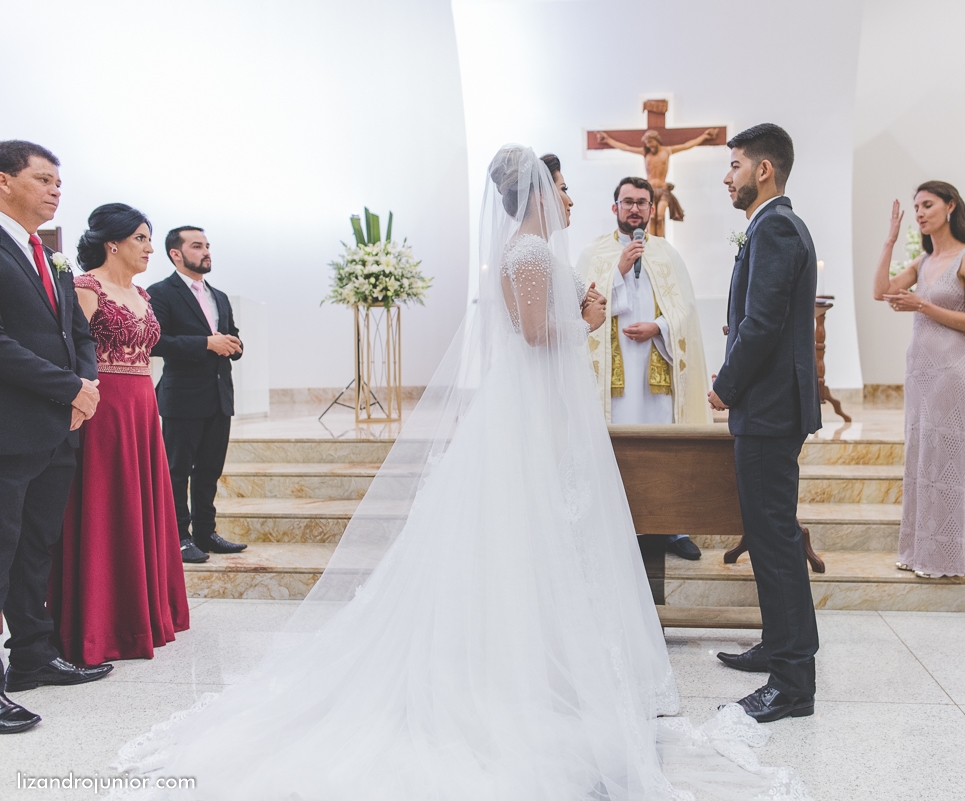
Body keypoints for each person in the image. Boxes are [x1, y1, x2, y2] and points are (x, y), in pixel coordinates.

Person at [111, 146, 809, 800]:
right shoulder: (531, 250)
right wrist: (590, 316)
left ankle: (546, 661)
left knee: (536, 536)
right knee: (529, 529)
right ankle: (527, 673)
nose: (568, 196)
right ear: (537, 193)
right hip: (529, 412)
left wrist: (583, 311)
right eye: (561, 186)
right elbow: (538, 335)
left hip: (534, 410)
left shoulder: (527, 248)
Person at [707, 124, 822, 722]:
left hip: (769, 409)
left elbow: (762, 322)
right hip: (774, 407)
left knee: (775, 542)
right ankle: (779, 648)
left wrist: (726, 386)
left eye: (735, 166)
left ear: (764, 170)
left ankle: (793, 682)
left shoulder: (775, 226)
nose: (728, 176)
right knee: (769, 535)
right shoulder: (775, 224)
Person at [0, 140, 112, 734]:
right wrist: (68, 388)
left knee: (34, 548)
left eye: (59, 182)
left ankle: (33, 658)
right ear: (3, 182)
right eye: (43, 179)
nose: (55, 190)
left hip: (57, 430)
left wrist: (85, 384)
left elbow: (80, 334)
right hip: (10, 428)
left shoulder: (52, 256)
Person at [49, 204, 190, 665]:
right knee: (105, 506)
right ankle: (100, 623)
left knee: (141, 503)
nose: (150, 248)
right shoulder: (86, 287)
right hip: (103, 408)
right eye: (141, 239)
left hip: (143, 406)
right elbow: (70, 350)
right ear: (113, 243)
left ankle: (142, 615)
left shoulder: (145, 296)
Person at [577, 174, 711, 560]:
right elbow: (582, 308)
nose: (634, 208)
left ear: (652, 210)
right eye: (627, 201)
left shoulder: (668, 255)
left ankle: (672, 528)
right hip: (612, 383)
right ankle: (615, 525)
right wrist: (616, 271)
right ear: (614, 207)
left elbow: (686, 315)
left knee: (663, 449)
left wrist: (659, 326)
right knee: (619, 452)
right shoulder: (595, 255)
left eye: (642, 202)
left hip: (657, 374)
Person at [873, 183, 965, 579]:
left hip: (951, 371)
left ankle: (943, 557)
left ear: (950, 206)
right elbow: (880, 291)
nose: (920, 212)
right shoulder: (924, 260)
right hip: (919, 371)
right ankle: (916, 550)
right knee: (920, 460)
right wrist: (889, 239)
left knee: (945, 463)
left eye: (928, 205)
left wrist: (922, 303)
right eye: (916, 207)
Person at [147, 227, 246, 563]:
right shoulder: (160, 293)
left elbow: (231, 335)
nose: (206, 252)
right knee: (177, 471)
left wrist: (234, 346)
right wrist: (207, 343)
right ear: (176, 253)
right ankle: (179, 537)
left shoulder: (218, 295)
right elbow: (156, 342)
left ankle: (206, 532)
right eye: (197, 246)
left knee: (209, 470)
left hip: (219, 396)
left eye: (207, 246)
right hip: (182, 398)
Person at [594, 127, 719, 236]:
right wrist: (607, 140)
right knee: (651, 217)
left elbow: (687, 145)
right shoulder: (645, 153)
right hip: (650, 191)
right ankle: (651, 242)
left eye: (651, 142)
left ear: (657, 140)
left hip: (663, 189)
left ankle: (660, 242)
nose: (649, 146)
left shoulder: (667, 150)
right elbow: (626, 148)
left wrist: (704, 136)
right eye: (647, 144)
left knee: (659, 217)